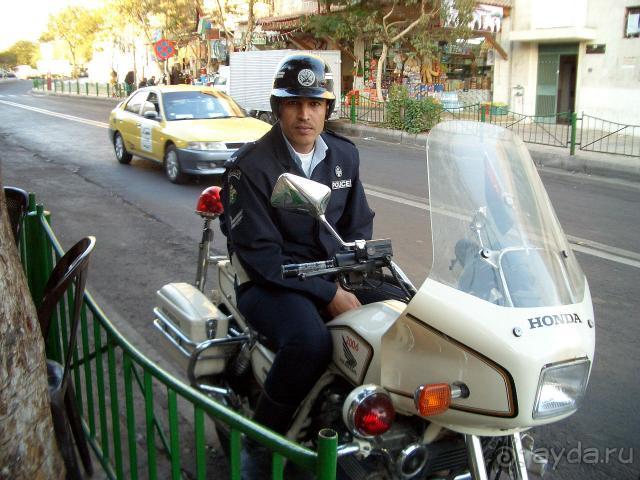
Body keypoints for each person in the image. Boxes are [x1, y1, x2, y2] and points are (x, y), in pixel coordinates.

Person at [220, 54, 374, 476]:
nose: (305, 114)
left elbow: (357, 222)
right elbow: (261, 255)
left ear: (327, 109)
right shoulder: (251, 167)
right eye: (294, 104)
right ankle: (262, 439)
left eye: (315, 104)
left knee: (404, 314)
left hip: (330, 272)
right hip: (268, 282)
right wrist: (329, 294)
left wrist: (361, 267)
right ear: (278, 108)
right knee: (310, 341)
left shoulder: (343, 156)